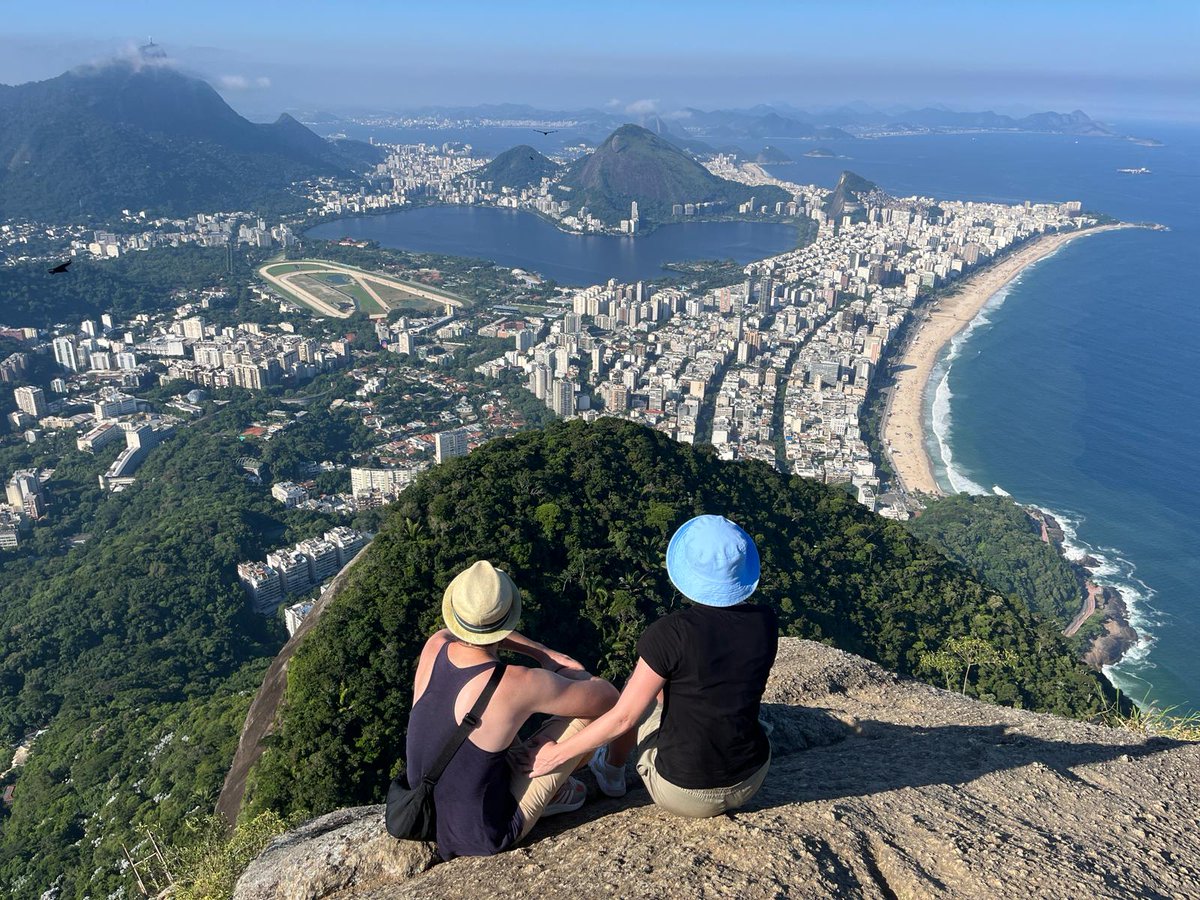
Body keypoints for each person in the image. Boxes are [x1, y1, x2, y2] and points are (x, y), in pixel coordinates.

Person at [528, 515, 778, 818]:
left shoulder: (671, 633)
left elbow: (624, 718)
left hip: (684, 793)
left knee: (637, 685)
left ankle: (611, 771)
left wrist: (555, 756)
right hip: (750, 778)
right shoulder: (765, 621)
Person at [404, 559, 618, 860]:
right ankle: (565, 788)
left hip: (429, 812)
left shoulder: (436, 644)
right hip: (484, 833)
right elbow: (609, 698)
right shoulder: (517, 682)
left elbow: (469, 633)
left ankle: (533, 779)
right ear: (509, 620)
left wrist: (542, 652)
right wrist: (565, 668)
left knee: (489, 721)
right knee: (587, 707)